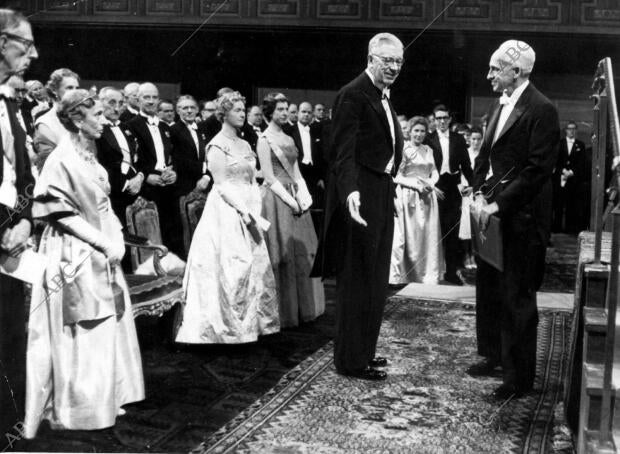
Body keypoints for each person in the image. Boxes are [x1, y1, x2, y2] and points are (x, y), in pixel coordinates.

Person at [24, 89, 144, 437]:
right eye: (98, 115)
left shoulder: (89, 154)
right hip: (73, 251)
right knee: (84, 325)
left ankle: (106, 398)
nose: (105, 120)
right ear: (78, 119)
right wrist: (102, 242)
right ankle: (80, 408)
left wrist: (116, 238)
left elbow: (103, 204)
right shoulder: (61, 159)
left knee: (109, 321)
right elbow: (59, 214)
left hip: (103, 249)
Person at [468, 40, 559, 400]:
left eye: (495, 69)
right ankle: (492, 354)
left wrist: (498, 205)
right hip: (490, 211)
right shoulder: (496, 103)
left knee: (517, 296)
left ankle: (518, 378)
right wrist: (477, 192)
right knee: (489, 288)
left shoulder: (542, 109)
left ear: (516, 71)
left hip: (520, 217)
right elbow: (486, 154)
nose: (489, 75)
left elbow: (537, 171)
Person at [313, 33, 404, 381]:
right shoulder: (353, 94)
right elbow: (343, 152)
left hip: (380, 192)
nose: (394, 68)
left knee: (376, 280)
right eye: (388, 61)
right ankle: (351, 360)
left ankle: (364, 352)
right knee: (357, 281)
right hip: (361, 197)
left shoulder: (382, 95)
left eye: (398, 62)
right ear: (371, 58)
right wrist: (350, 192)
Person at [175, 91, 279, 344]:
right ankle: (227, 331)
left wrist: (255, 201)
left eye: (244, 110)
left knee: (256, 266)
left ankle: (253, 326)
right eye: (237, 111)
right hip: (227, 211)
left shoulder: (244, 144)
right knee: (233, 267)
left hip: (249, 207)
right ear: (223, 114)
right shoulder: (216, 145)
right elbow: (220, 185)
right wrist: (243, 210)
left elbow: (252, 176)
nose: (242, 114)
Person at [0, 8, 38, 437]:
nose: (33, 53)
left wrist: (25, 221)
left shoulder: (9, 104)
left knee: (9, 341)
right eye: (25, 44)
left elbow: (23, 175)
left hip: (12, 239)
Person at [258, 93, 325, 328]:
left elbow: (297, 172)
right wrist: (291, 201)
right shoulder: (264, 139)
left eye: (286, 109)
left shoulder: (288, 137)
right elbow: (268, 177)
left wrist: (304, 198)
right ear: (269, 113)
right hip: (277, 200)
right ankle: (285, 312)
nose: (285, 113)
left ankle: (305, 307)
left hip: (295, 196)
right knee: (283, 255)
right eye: (280, 109)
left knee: (303, 253)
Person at [389, 116, 444, 284]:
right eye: (416, 131)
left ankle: (426, 274)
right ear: (410, 132)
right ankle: (407, 274)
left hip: (427, 197)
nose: (419, 134)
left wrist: (431, 183)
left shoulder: (428, 149)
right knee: (411, 237)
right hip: (408, 196)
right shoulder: (404, 149)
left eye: (422, 131)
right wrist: (416, 185)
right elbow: (396, 176)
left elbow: (434, 171)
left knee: (427, 236)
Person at [425, 104, 472, 285]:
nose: (442, 121)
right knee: (435, 230)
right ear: (434, 120)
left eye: (445, 118)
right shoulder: (428, 139)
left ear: (450, 119)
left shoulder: (458, 139)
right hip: (434, 188)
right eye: (438, 118)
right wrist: (430, 186)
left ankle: (451, 272)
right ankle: (432, 272)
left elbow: (466, 165)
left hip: (453, 188)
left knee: (452, 231)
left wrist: (474, 185)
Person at [96, 86, 143, 226]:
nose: (117, 108)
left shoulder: (126, 128)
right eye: (112, 103)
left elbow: (137, 157)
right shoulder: (96, 129)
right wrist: (126, 184)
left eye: (121, 103)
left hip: (135, 188)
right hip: (113, 191)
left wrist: (140, 177)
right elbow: (99, 164)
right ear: (100, 102)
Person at [33, 68, 79, 170]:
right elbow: (48, 164)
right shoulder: (45, 121)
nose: (75, 92)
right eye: (69, 88)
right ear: (54, 90)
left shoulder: (81, 117)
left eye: (77, 88)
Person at [170, 95, 211, 196]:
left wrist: (206, 177)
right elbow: (178, 160)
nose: (189, 111)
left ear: (197, 110)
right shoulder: (173, 130)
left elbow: (209, 155)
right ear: (178, 111)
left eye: (192, 108)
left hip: (205, 183)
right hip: (184, 186)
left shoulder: (202, 130)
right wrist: (205, 167)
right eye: (185, 108)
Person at [552, 120, 587, 233]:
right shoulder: (559, 143)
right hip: (559, 178)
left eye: (573, 129)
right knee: (558, 204)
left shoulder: (580, 145)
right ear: (566, 130)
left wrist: (571, 172)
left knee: (571, 204)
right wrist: (562, 171)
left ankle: (569, 229)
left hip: (573, 180)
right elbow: (554, 161)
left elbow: (582, 163)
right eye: (569, 129)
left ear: (576, 131)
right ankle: (556, 228)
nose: (571, 131)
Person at [459, 126, 483, 269]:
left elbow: (486, 175)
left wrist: (476, 188)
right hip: (466, 193)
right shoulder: (465, 153)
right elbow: (461, 173)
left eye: (479, 139)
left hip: (478, 193)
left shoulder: (485, 155)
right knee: (466, 225)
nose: (476, 142)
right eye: (473, 139)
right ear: (469, 139)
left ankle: (475, 256)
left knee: (477, 224)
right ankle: (466, 256)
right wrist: (464, 187)